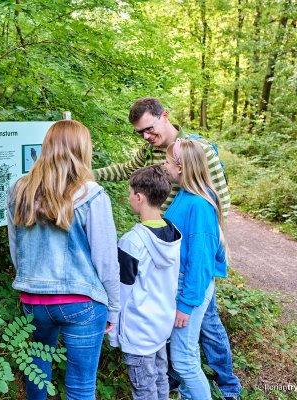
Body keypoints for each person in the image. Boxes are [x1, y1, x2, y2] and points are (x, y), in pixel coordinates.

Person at [94, 97, 242, 399]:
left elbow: (218, 205)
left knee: (205, 327)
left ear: (165, 117)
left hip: (193, 259)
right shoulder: (153, 151)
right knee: (181, 334)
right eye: (140, 133)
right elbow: (126, 170)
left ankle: (228, 388)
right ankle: (174, 384)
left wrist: (207, 252)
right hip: (171, 254)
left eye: (149, 129)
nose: (147, 137)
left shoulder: (197, 151)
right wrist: (88, 175)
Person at [7, 120, 121, 400]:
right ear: (82, 150)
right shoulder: (92, 194)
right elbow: (106, 259)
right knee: (81, 386)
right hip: (81, 302)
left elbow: (16, 249)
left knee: (37, 373)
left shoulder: (19, 190)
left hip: (34, 301)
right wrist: (115, 306)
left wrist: (30, 281)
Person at [163, 139, 230, 400]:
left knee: (184, 360)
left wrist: (186, 303)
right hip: (180, 283)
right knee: (182, 356)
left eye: (168, 162)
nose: (164, 166)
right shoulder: (183, 195)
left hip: (189, 286)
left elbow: (201, 262)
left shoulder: (200, 205)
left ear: (181, 167)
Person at [109, 166, 182, 400]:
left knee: (144, 390)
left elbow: (122, 291)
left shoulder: (132, 242)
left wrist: (113, 331)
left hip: (139, 330)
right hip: (161, 326)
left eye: (130, 193)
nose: (129, 197)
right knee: (160, 379)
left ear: (139, 197)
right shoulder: (173, 233)